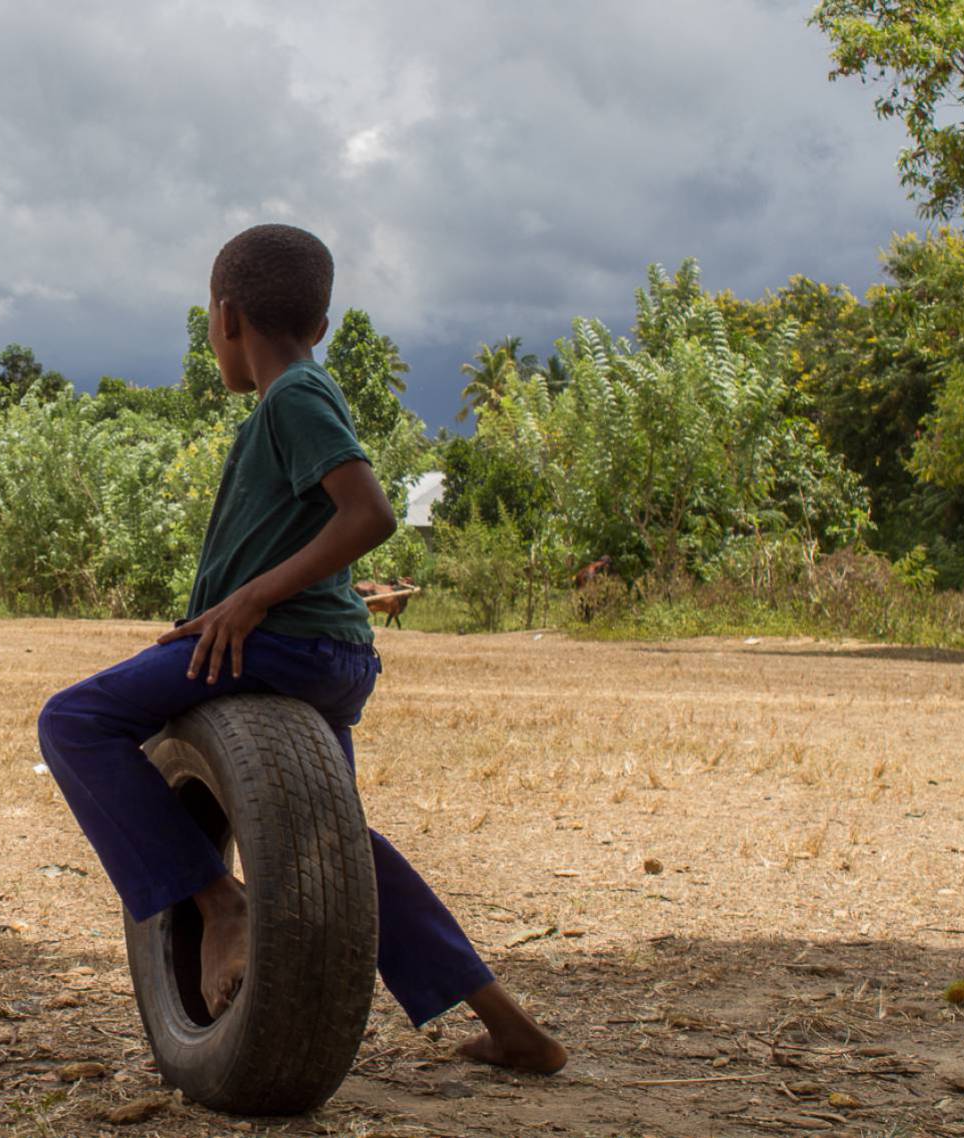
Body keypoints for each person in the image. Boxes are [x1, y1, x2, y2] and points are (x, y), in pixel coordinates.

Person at [37, 224, 565, 1073]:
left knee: (73, 723)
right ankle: (507, 1022)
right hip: (319, 647)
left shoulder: (293, 399)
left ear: (225, 317)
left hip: (278, 646)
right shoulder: (300, 395)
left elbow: (370, 514)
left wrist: (245, 600)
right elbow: (319, 526)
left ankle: (218, 904)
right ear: (320, 326)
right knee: (342, 843)